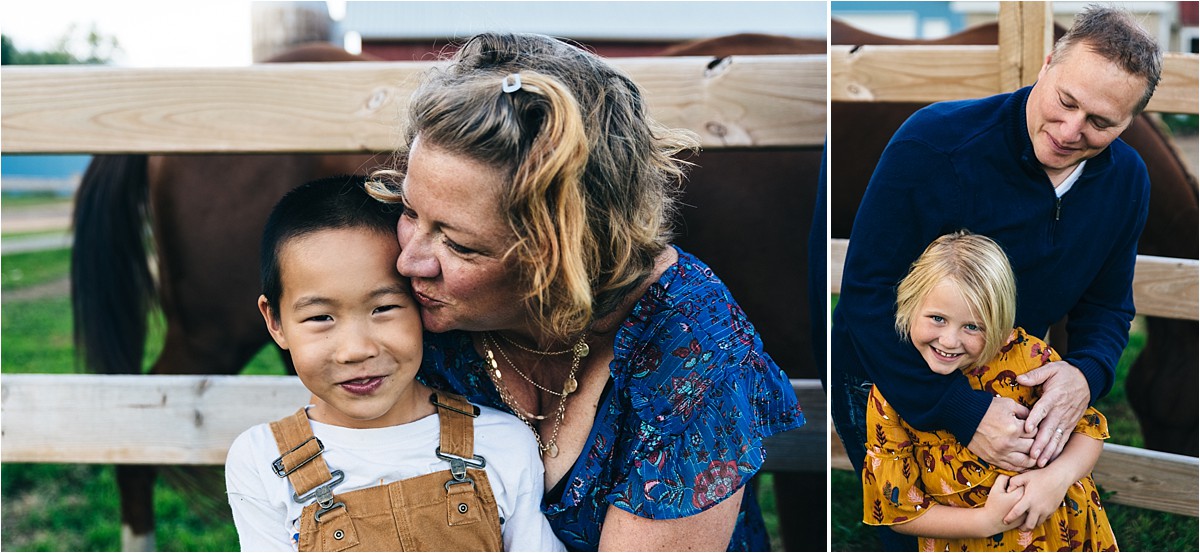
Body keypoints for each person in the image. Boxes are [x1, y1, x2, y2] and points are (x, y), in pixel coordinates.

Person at [365, 32, 804, 551]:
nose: (408, 259)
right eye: (410, 211)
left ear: (566, 252)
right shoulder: (411, 311)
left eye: (461, 246)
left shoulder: (690, 345)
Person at [831, 6, 1160, 550]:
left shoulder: (1127, 182)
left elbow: (1106, 307)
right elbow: (866, 298)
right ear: (1048, 65)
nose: (1070, 131)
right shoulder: (933, 145)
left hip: (1007, 372)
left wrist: (1086, 374)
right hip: (891, 375)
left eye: (1101, 123)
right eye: (1066, 101)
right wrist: (959, 410)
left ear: (1130, 122)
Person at [224, 175, 564, 552]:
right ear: (275, 322)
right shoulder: (262, 461)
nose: (355, 350)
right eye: (321, 317)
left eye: (383, 308)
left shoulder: (501, 443)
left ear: (421, 301)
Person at [861, 230, 1116, 551]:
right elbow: (896, 509)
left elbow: (1088, 430)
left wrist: (1057, 478)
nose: (950, 340)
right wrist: (986, 521)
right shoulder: (893, 389)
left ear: (999, 320)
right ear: (910, 306)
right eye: (937, 318)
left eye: (972, 326)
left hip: (1057, 533)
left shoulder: (1029, 360)